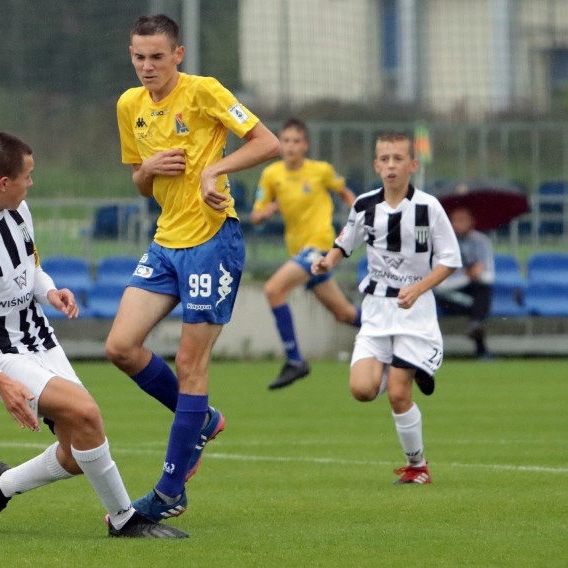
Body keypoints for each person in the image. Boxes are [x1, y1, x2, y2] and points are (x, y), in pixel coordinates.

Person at [0, 132, 186, 539]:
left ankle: (1, 485)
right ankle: (125, 519)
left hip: (38, 337)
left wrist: (48, 290)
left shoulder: (17, 209)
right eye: (27, 176)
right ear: (3, 182)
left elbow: (30, 267)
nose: (31, 184)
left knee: (76, 449)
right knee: (87, 412)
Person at [107, 14, 279, 523]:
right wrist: (147, 170)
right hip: (165, 243)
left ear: (177, 55)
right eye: (138, 56)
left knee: (190, 363)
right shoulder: (129, 105)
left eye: (157, 56)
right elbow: (140, 183)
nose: (146, 66)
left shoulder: (203, 92)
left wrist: (215, 169)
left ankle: (167, 493)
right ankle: (201, 419)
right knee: (119, 347)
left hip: (211, 241)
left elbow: (265, 142)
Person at [311, 131, 461, 484]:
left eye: (398, 159)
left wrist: (419, 287)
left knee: (397, 392)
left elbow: (449, 260)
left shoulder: (429, 207)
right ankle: (413, 366)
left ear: (412, 164)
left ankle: (418, 467)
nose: (391, 165)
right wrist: (327, 262)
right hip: (377, 311)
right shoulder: (364, 205)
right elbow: (344, 243)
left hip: (414, 311)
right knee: (362, 390)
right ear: (376, 165)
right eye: (385, 159)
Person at [249, 117, 361, 390]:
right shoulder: (272, 175)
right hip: (299, 252)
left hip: (320, 247)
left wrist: (361, 214)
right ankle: (397, 331)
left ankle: (295, 360)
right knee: (344, 314)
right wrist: (265, 213)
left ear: (305, 145)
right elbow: (255, 216)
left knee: (274, 290)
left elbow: (346, 194)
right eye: (285, 140)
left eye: (296, 141)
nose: (290, 146)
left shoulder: (320, 171)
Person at [434, 206, 495, 359]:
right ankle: (480, 346)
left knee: (483, 290)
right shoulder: (441, 244)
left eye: (462, 220)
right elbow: (440, 285)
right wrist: (467, 277)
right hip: (447, 295)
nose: (457, 224)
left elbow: (489, 277)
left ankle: (476, 327)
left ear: (471, 221)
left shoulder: (482, 242)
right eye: (454, 220)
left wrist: (477, 274)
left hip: (473, 291)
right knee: (478, 307)